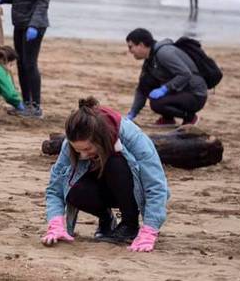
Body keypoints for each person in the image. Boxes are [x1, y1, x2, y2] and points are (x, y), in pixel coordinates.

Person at [43, 97, 169, 252]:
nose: (82, 155)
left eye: (88, 149)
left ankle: (130, 224)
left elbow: (156, 185)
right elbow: (55, 187)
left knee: (114, 163)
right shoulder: (70, 143)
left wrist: (150, 230)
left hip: (130, 190)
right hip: (101, 186)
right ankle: (106, 219)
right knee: (72, 189)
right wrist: (55, 223)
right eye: (78, 150)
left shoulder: (132, 136)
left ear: (100, 139)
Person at [126, 28, 207, 127]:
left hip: (195, 94)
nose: (130, 51)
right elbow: (142, 89)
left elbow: (185, 74)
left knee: (156, 103)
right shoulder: (150, 59)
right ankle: (168, 119)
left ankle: (190, 117)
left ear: (141, 45)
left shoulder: (164, 53)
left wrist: (165, 89)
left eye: (131, 47)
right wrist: (132, 113)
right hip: (180, 91)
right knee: (146, 82)